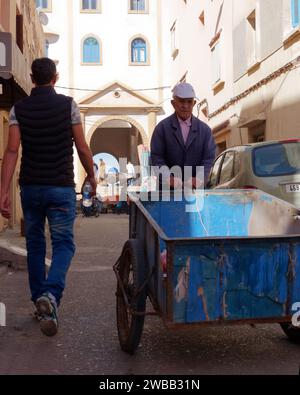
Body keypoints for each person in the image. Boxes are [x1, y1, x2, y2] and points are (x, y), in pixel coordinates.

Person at [0, 58, 97, 337]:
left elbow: (11, 151)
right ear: (55, 77)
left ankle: (39, 301)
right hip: (60, 187)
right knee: (64, 244)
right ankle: (51, 296)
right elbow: (81, 145)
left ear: (32, 78)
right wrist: (91, 174)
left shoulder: (19, 109)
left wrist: (3, 191)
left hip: (30, 188)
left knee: (35, 245)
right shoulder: (69, 106)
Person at [150, 82, 216, 189]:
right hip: (168, 192)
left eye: (189, 102)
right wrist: (168, 178)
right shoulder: (162, 129)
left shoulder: (205, 131)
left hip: (196, 193)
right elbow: (157, 157)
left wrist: (199, 178)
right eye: (181, 101)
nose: (185, 106)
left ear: (194, 104)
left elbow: (208, 158)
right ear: (173, 103)